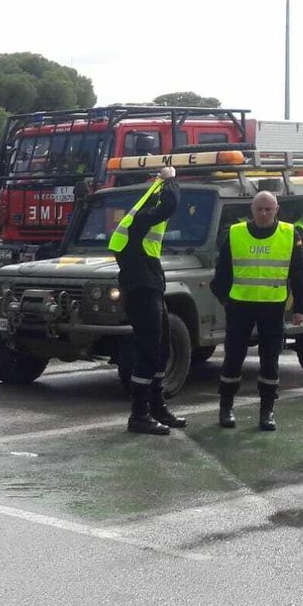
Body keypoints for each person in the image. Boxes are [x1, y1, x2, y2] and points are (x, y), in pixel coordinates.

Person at [210, 191, 303, 431]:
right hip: (239, 306)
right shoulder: (235, 234)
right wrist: (225, 300)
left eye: (268, 209)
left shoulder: (289, 234)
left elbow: (299, 273)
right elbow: (222, 273)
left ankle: (267, 412)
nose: (264, 214)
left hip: (272, 307)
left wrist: (300, 308)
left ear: (276, 209)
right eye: (259, 209)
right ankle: (226, 408)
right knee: (233, 358)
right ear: (252, 210)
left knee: (270, 360)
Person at [109, 165, 184, 435]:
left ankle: (157, 407)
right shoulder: (141, 219)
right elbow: (170, 205)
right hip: (141, 290)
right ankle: (139, 415)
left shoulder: (139, 221)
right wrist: (171, 180)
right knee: (149, 352)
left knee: (162, 349)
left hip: (150, 287)